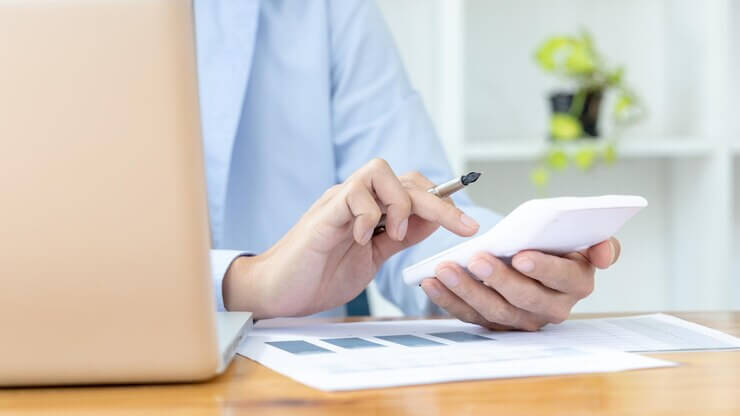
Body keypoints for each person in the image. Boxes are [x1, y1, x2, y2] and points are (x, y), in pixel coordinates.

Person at [196, 0, 621, 330]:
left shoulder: (329, 9)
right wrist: (247, 283)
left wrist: (507, 259)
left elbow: (410, 204)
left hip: (302, 377)